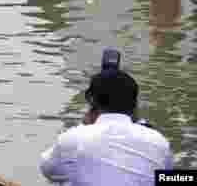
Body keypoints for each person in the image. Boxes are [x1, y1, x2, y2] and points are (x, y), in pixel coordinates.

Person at [40, 63, 172, 184]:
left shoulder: (74, 138)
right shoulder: (159, 142)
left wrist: (84, 127)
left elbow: (48, 170)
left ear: (92, 103)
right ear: (135, 105)